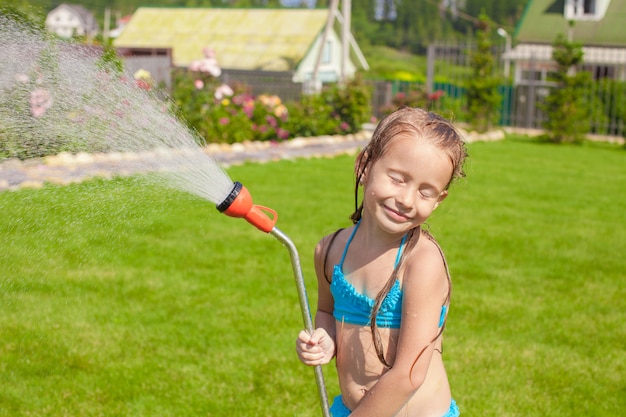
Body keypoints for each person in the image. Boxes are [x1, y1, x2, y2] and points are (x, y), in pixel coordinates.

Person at [296, 107, 467, 417]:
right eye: (398, 179)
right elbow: (326, 311)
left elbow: (409, 375)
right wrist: (324, 340)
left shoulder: (421, 263)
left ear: (439, 200)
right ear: (364, 166)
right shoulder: (331, 249)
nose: (406, 199)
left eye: (425, 191)